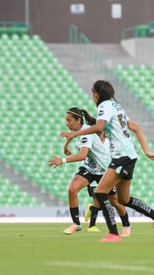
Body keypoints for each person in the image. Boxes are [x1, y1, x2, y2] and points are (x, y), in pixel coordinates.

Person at [60, 80, 154, 242]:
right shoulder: (117, 107)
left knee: (101, 192)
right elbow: (136, 127)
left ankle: (114, 234)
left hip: (121, 156)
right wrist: (146, 151)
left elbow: (99, 128)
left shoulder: (104, 106)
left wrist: (74, 135)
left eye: (92, 93)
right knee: (124, 200)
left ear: (96, 94)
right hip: (129, 156)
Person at [48, 107, 131, 236]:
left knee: (115, 201)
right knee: (72, 189)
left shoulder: (86, 133)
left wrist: (63, 160)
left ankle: (126, 225)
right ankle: (76, 224)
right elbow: (73, 138)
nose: (66, 123)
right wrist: (66, 146)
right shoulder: (80, 131)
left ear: (78, 120)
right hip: (89, 168)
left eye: (69, 121)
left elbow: (82, 155)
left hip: (105, 170)